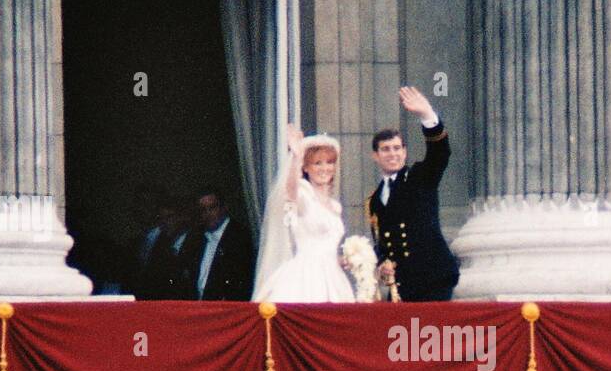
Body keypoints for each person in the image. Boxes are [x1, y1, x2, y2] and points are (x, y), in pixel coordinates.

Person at [366, 87, 459, 301]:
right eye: (386, 149)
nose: (393, 154)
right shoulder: (373, 200)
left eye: (397, 148)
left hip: (432, 279)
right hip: (402, 284)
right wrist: (382, 266)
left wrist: (427, 116)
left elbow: (440, 154)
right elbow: (382, 242)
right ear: (375, 155)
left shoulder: (419, 177)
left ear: (405, 152)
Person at [253, 127, 356, 303]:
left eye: (329, 162)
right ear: (306, 168)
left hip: (334, 278)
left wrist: (343, 259)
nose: (325, 168)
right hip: (306, 277)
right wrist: (296, 155)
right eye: (318, 163)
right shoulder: (303, 193)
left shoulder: (335, 206)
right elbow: (289, 190)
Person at [177, 186, 256, 301]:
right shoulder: (196, 237)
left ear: (224, 207)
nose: (208, 213)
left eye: (212, 208)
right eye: (203, 210)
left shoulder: (240, 237)